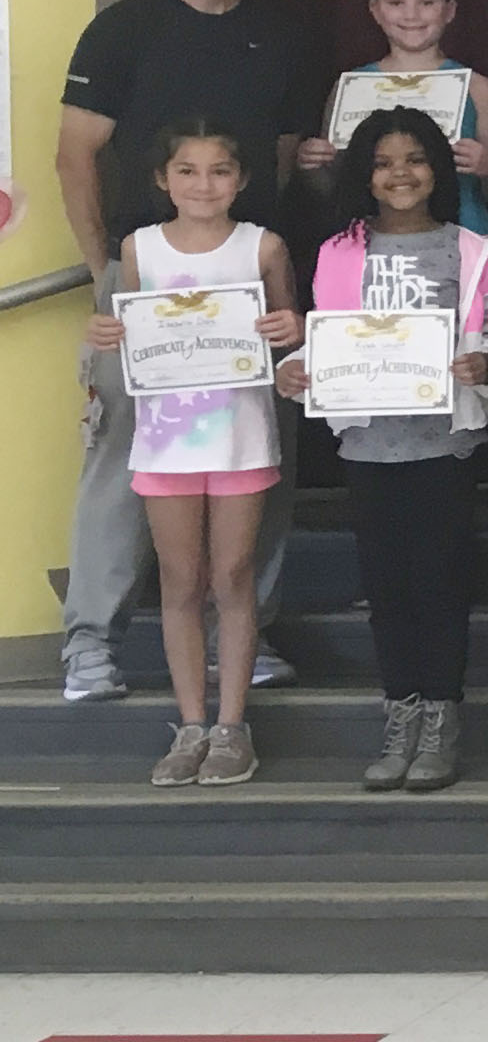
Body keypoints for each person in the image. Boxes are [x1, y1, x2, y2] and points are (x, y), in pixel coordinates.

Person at [53, 0, 306, 706]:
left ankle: (245, 631)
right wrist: (106, 276)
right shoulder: (122, 29)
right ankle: (91, 640)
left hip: (246, 277)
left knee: (258, 451)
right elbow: (75, 154)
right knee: (126, 451)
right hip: (145, 282)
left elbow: (282, 157)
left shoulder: (276, 33)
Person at [277, 109, 488, 794]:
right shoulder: (339, 251)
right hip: (370, 444)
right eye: (384, 162)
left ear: (436, 168)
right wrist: (298, 373)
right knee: (386, 591)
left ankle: (441, 719)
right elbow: (327, 344)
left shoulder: (469, 249)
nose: (400, 173)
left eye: (414, 159)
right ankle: (400, 714)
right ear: (365, 175)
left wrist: (485, 365)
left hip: (445, 444)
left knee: (440, 585)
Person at [79, 115, 300, 785]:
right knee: (179, 582)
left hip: (240, 435)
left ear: (242, 180)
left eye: (220, 171)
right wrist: (103, 332)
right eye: (187, 171)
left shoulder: (263, 247)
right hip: (165, 438)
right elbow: (124, 328)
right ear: (161, 179)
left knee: (232, 577)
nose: (204, 185)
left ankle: (232, 725)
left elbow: (291, 338)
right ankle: (191, 723)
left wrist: (291, 326)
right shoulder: (140, 248)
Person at [296, 0, 488, 236]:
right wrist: (312, 167)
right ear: (375, 10)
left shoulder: (478, 88)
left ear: (449, 11)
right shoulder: (350, 86)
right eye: (396, 3)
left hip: (460, 236)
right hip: (368, 240)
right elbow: (333, 187)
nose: (411, 15)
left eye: (427, 3)